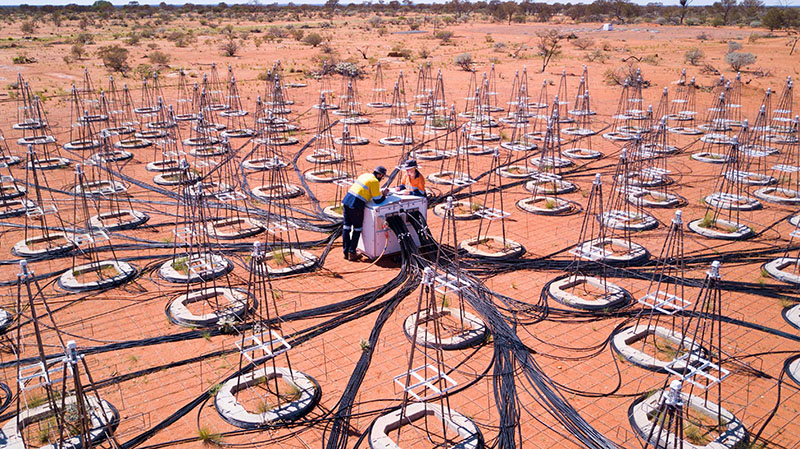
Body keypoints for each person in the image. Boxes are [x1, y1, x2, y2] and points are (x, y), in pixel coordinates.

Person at [342, 166, 388, 261]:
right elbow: (377, 201)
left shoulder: (365, 175)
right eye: (382, 176)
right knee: (357, 228)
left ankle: (346, 252)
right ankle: (352, 252)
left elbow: (365, 191)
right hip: (356, 206)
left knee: (346, 227)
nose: (381, 179)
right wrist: (384, 195)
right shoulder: (374, 181)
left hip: (347, 201)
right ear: (379, 174)